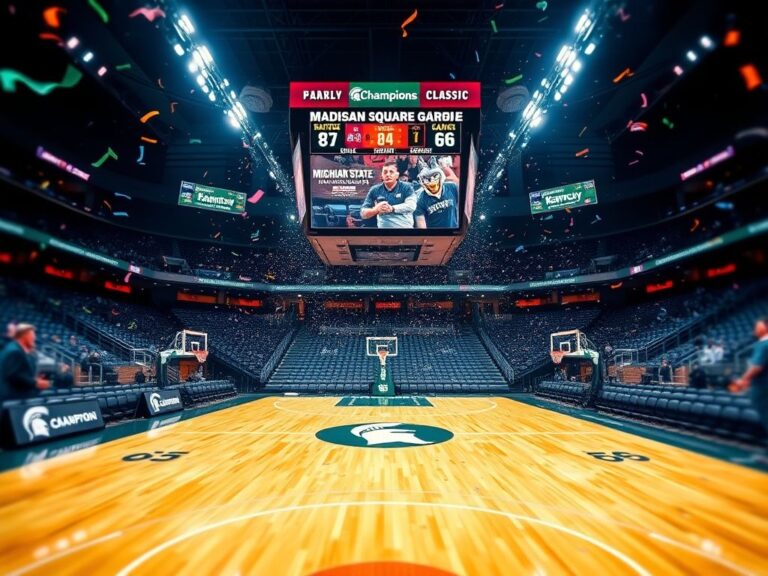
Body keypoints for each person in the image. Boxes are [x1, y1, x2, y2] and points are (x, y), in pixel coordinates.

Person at [730, 318, 768, 437]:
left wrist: (743, 380)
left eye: (758, 325)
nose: (755, 328)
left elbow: (757, 367)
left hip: (762, 387)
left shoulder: (764, 343)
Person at [360, 161, 417, 228]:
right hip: (383, 234)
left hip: (405, 231)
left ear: (397, 175)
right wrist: (376, 210)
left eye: (391, 172)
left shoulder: (407, 187)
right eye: (385, 172)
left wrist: (392, 208)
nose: (388, 175)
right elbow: (363, 213)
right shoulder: (374, 190)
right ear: (382, 176)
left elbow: (411, 206)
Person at [0, 323, 50, 400]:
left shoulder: (17, 349)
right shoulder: (15, 351)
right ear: (24, 336)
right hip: (10, 399)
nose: (34, 338)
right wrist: (36, 383)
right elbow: (14, 376)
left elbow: (20, 372)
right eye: (32, 335)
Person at [413, 158, 459, 229]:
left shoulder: (452, 187)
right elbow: (421, 224)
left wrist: (444, 167)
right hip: (435, 237)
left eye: (434, 176)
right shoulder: (420, 200)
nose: (431, 180)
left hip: (452, 234)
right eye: (427, 179)